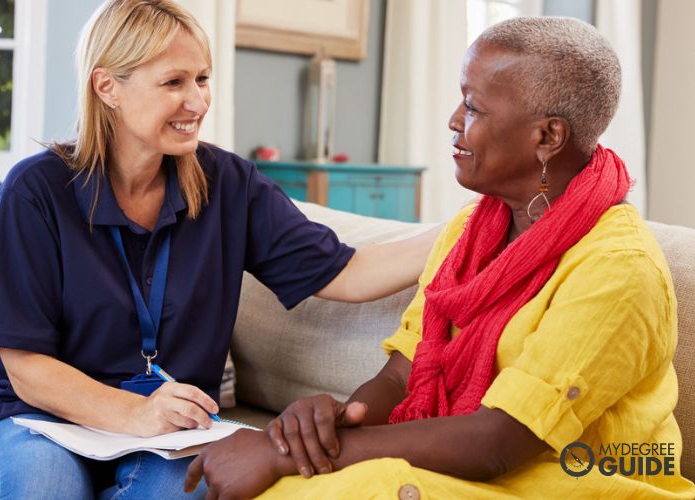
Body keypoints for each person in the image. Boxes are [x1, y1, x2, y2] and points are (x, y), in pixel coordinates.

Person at [184, 17, 695, 499]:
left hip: (579, 482)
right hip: (489, 471)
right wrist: (334, 424)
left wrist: (285, 457)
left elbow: (498, 442)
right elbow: (400, 377)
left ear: (547, 137)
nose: (453, 121)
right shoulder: (470, 229)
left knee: (351, 487)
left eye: (473, 108)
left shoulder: (619, 270)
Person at [0, 1, 441, 498]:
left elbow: (349, 272)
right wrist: (136, 413)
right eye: (174, 83)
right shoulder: (35, 189)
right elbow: (25, 365)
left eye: (203, 79)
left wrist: (471, 224)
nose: (197, 101)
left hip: (172, 437)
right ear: (107, 87)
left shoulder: (230, 184)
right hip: (42, 423)